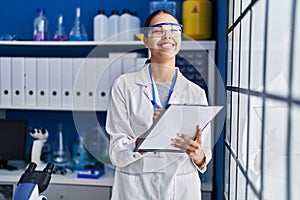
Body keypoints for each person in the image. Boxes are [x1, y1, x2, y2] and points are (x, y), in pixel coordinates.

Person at [106, 10, 212, 200]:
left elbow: (205, 155)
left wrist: (198, 155)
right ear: (145, 40)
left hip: (181, 190)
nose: (167, 36)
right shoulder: (124, 85)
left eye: (174, 30)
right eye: (158, 30)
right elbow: (116, 153)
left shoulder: (196, 93)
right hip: (135, 189)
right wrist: (146, 139)